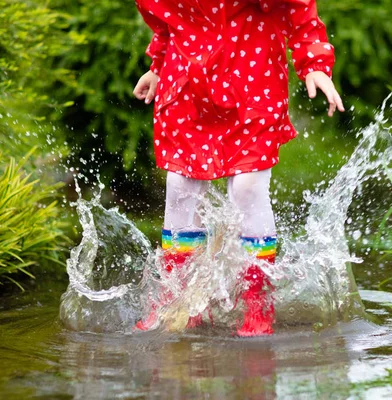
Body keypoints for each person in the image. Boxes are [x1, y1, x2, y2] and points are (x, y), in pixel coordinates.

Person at [133, 0, 344, 336]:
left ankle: (257, 301)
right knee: (181, 189)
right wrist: (158, 65)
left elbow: (298, 8)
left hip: (253, 80)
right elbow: (168, 21)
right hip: (188, 84)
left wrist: (314, 63)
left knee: (248, 188)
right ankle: (178, 297)